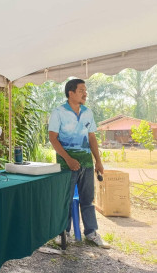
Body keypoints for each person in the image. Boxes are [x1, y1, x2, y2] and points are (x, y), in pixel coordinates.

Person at [48, 78, 110, 249]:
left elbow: (91, 137)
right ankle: (63, 233)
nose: (85, 93)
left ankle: (91, 232)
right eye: (81, 90)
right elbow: (52, 138)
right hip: (66, 163)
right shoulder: (58, 112)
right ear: (71, 92)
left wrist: (98, 161)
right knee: (66, 199)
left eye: (85, 90)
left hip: (87, 163)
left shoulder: (88, 112)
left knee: (88, 200)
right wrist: (68, 159)